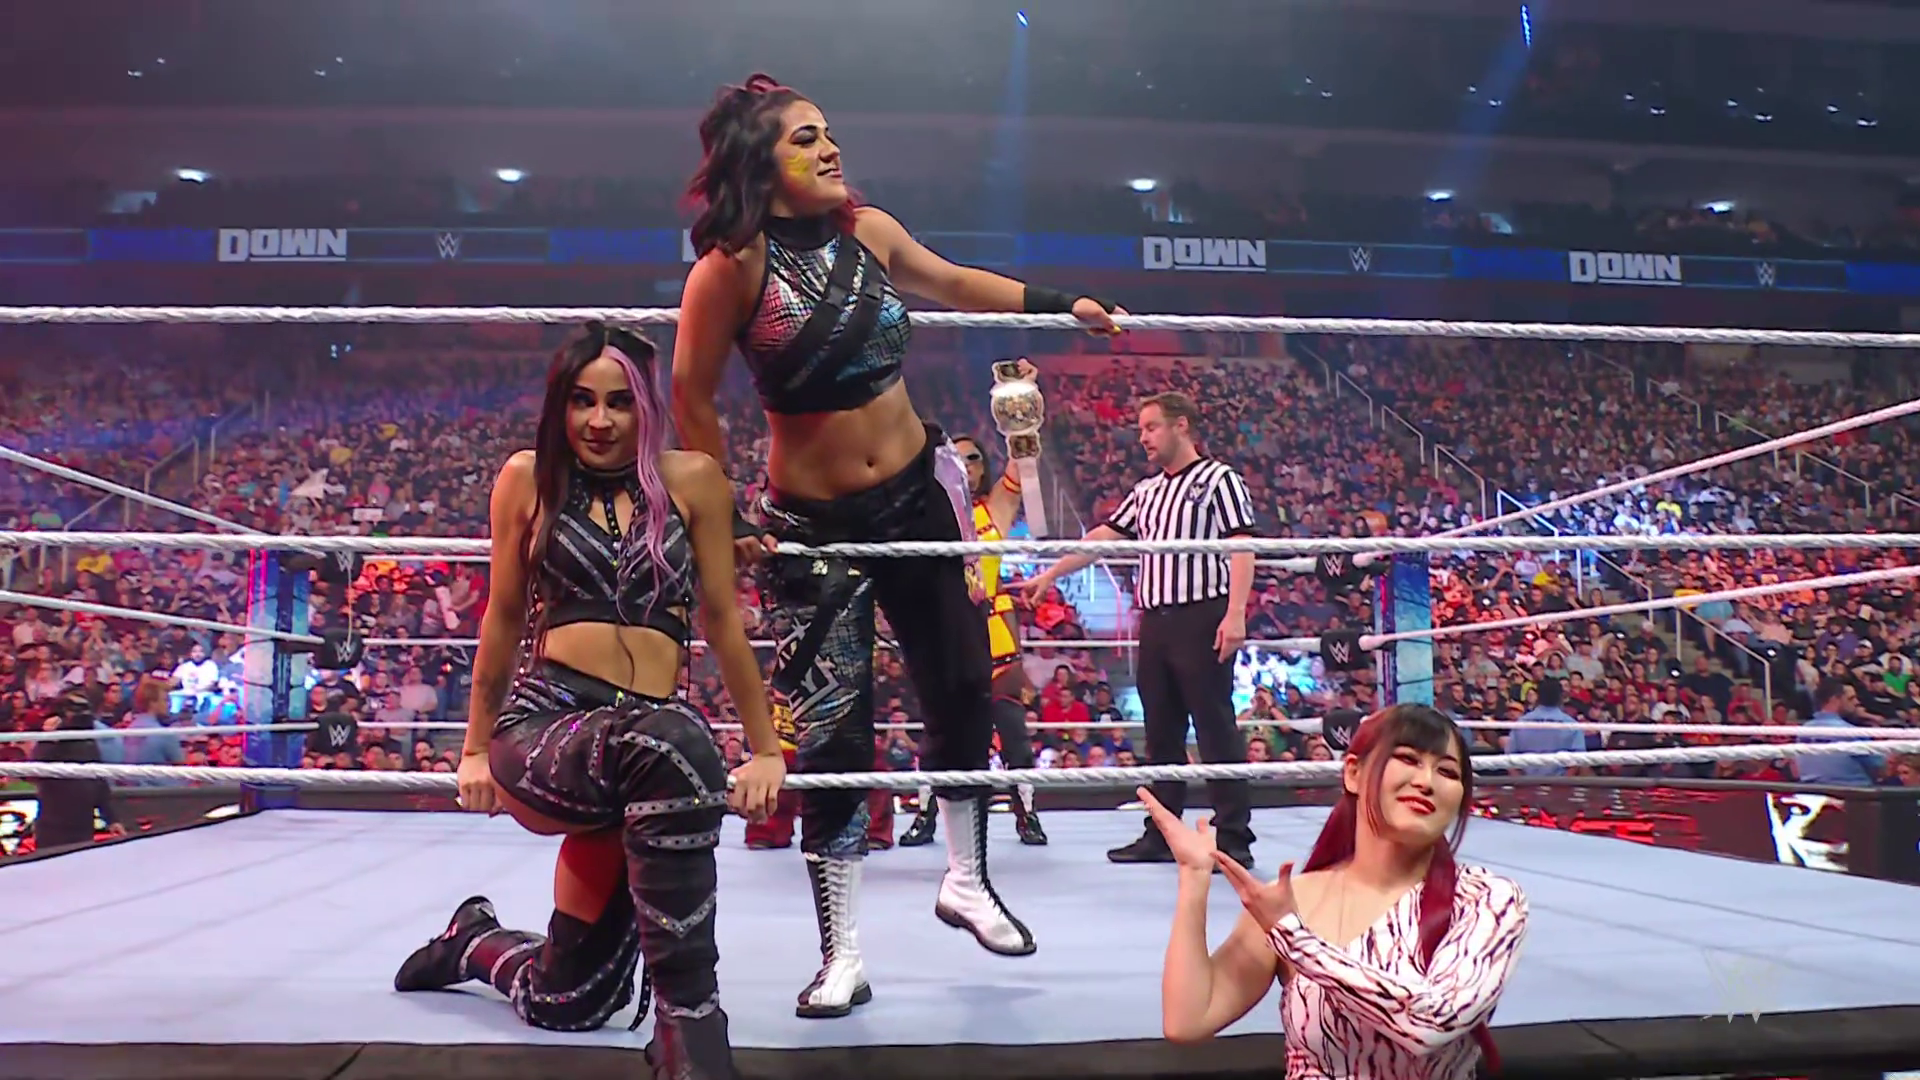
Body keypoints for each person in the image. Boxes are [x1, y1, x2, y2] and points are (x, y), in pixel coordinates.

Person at [671, 73, 1122, 1019]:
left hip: (917, 497)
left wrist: (1061, 302)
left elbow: (952, 281)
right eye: (804, 138)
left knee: (961, 682)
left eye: (828, 131)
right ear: (761, 163)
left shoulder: (869, 234)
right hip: (814, 524)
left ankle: (967, 879)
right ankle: (842, 952)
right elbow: (691, 395)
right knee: (834, 728)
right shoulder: (730, 268)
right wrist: (731, 516)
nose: (829, 147)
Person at [393, 323, 786, 1080]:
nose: (598, 420)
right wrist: (472, 749)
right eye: (581, 401)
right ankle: (691, 1026)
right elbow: (503, 621)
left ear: (648, 408)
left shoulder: (695, 481)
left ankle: (473, 942)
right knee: (676, 743)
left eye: (618, 402)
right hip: (549, 723)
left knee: (567, 1002)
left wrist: (767, 749)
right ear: (559, 406)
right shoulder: (527, 479)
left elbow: (723, 623)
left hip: (645, 747)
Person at [1147, 705, 1527, 1080]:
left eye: (1446, 771)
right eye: (1408, 759)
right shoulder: (1292, 900)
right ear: (1354, 773)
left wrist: (1296, 940)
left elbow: (1429, 1023)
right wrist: (1194, 879)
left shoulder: (1487, 900)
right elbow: (1188, 1020)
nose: (1426, 781)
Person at [1023, 392, 1257, 869]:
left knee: (1215, 727)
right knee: (1160, 733)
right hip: (1154, 622)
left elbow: (1242, 546)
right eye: (1141, 429)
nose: (1143, 438)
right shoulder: (1147, 491)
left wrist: (1235, 614)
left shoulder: (1220, 480)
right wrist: (1051, 574)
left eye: (1151, 427)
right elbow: (1100, 539)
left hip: (1201, 616)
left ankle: (1234, 837)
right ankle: (1162, 832)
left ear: (1181, 425)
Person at [899, 429, 1047, 848]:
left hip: (994, 635)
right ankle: (926, 815)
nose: (965, 466)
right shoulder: (926, 515)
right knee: (937, 732)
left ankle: (1027, 815)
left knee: (1013, 733)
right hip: (946, 633)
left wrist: (1022, 426)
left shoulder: (993, 509)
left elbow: (1022, 469)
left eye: (973, 458)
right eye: (957, 458)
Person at [30, 687, 124, 851]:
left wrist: (112, 819)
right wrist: (48, 738)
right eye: (74, 709)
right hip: (54, 824)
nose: (80, 714)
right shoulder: (54, 740)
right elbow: (35, 770)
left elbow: (98, 781)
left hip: (82, 824)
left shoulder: (87, 741)